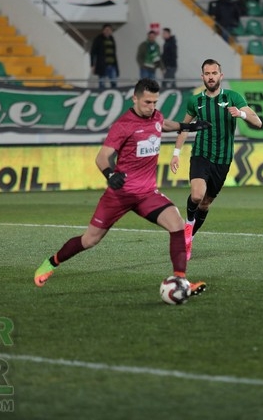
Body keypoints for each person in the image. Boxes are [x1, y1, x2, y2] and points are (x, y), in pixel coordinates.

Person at [33, 78, 210, 296]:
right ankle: (51, 263)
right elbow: (102, 157)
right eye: (147, 102)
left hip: (146, 194)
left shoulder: (155, 116)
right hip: (120, 194)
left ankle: (181, 281)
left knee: (177, 224)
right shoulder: (123, 125)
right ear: (134, 98)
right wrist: (110, 174)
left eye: (155, 102)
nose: (152, 107)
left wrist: (188, 127)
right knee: (90, 240)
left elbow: (163, 124)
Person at [170, 59, 263, 261]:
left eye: (214, 73)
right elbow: (183, 128)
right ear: (202, 77)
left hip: (223, 159)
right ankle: (187, 226)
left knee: (205, 203)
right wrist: (176, 154)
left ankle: (188, 238)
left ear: (221, 76)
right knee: (197, 195)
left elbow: (258, 122)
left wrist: (240, 114)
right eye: (207, 73)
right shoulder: (196, 101)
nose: (210, 76)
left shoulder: (233, 97)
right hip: (201, 154)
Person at [90, 24, 119, 89]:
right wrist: (92, 64)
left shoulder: (112, 39)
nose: (108, 31)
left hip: (112, 65)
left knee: (114, 82)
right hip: (102, 65)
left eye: (109, 30)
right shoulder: (98, 39)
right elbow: (93, 52)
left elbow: (114, 53)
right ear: (103, 31)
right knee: (102, 83)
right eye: (106, 30)